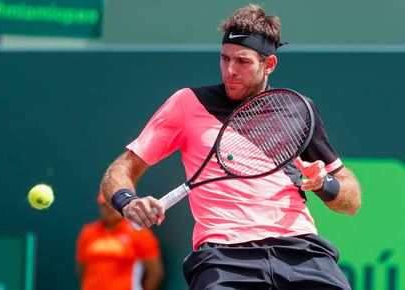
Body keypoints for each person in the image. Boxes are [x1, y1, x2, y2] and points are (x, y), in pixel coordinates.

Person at [101, 4, 361, 289]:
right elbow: (123, 168)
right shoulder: (188, 103)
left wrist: (325, 183)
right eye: (224, 59)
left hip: (299, 249)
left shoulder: (297, 109)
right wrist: (127, 202)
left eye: (243, 62)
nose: (230, 70)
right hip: (224, 256)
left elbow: (352, 201)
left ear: (269, 65)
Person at [75, 188, 164, 290]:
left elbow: (155, 273)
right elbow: (82, 270)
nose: (109, 208)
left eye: (113, 205)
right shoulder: (88, 232)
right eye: (105, 204)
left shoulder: (140, 232)